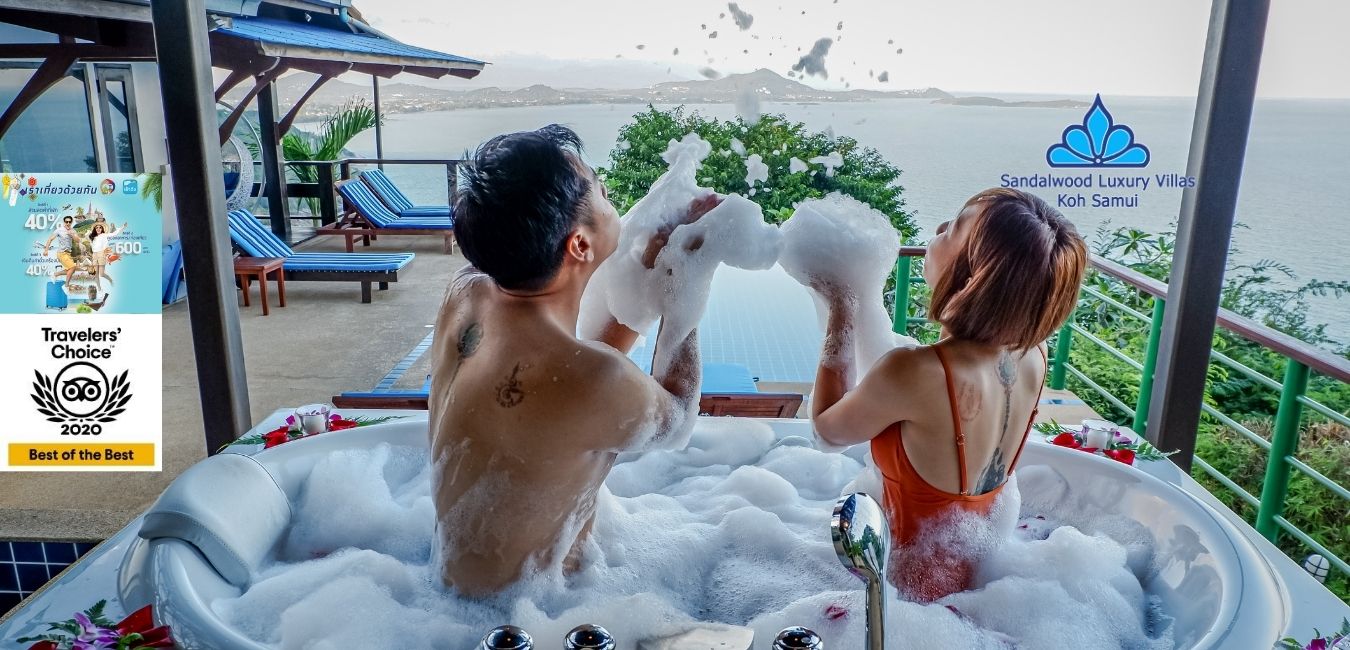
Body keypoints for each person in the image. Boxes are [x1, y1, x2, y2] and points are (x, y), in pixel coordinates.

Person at [428, 125, 720, 596]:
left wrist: (649, 267)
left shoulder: (465, 296)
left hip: (449, 591)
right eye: (601, 190)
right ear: (580, 245)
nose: (609, 195)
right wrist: (687, 284)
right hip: (534, 610)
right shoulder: (593, 378)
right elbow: (679, 420)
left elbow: (570, 386)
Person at [809, 188, 1087, 602]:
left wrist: (841, 308)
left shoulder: (916, 372)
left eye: (953, 228)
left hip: (902, 592)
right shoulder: (1034, 355)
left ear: (973, 277)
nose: (938, 228)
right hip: (979, 578)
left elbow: (826, 433)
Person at [42, 215, 88, 285]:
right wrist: (46, 250)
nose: (68, 223)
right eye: (66, 222)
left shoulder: (73, 231)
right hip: (61, 253)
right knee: (72, 267)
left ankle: (55, 274)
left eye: (69, 222)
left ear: (71, 222)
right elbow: (50, 239)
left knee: (72, 270)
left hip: (68, 253)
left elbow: (78, 240)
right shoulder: (59, 230)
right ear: (64, 222)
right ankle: (66, 286)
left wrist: (72, 235)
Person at [89, 221, 127, 289]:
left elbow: (114, 233)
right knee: (96, 274)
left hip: (101, 254)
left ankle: (110, 280)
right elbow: (90, 242)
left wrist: (123, 227)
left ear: (102, 229)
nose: (98, 229)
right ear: (95, 229)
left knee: (101, 274)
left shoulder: (104, 235)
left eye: (100, 227)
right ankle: (99, 289)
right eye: (97, 228)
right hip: (94, 255)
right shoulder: (93, 237)